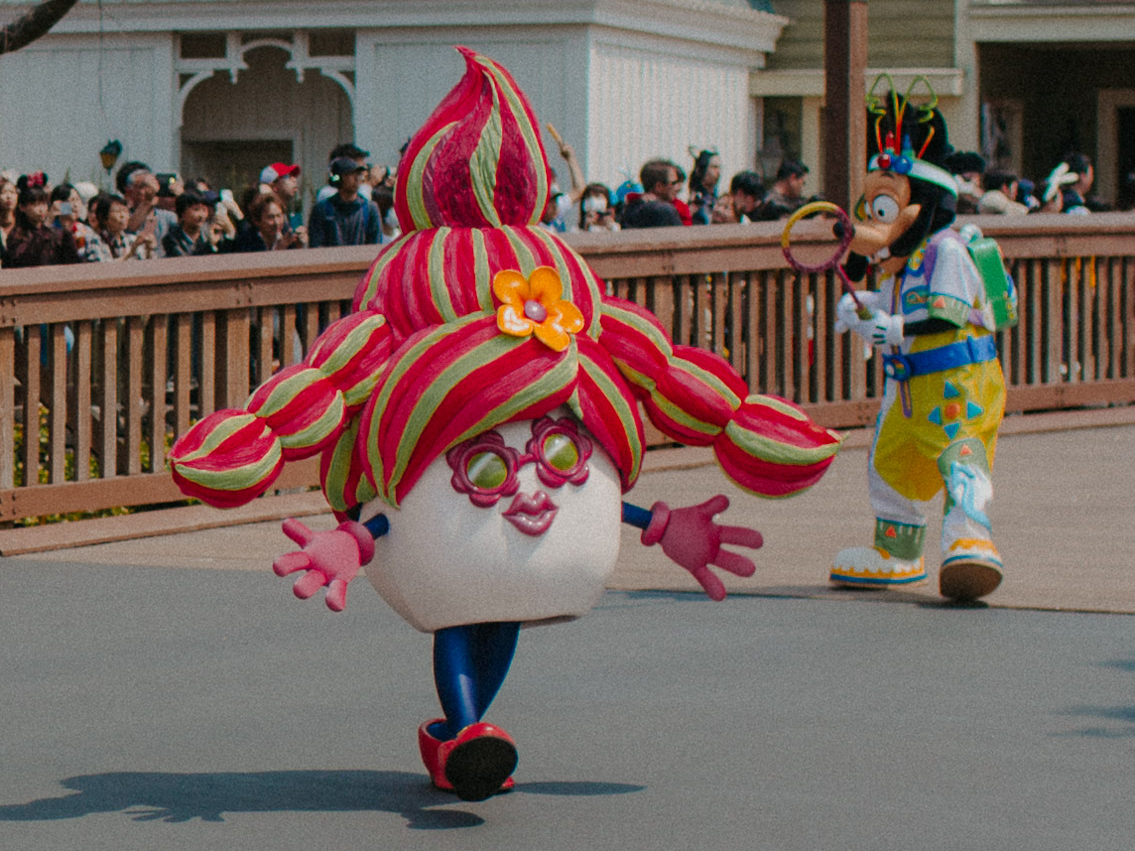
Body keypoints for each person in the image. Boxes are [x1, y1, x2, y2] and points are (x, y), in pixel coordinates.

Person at [171, 48, 839, 802]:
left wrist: (662, 523)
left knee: (499, 609)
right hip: (438, 529)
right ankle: (463, 728)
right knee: (465, 607)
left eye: (556, 448)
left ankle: (459, 736)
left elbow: (654, 372)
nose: (529, 472)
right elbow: (331, 379)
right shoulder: (414, 306)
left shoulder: (556, 302)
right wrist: (353, 531)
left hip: (493, 533)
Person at [830, 83, 1011, 602]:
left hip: (958, 383)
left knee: (961, 460)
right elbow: (890, 316)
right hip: (907, 389)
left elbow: (945, 315)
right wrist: (861, 315)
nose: (871, 224)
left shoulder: (946, 252)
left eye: (883, 209)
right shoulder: (900, 266)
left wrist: (896, 329)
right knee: (890, 467)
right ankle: (898, 553)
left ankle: (971, 540)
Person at [3, 178, 81, 267]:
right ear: (22, 207)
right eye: (35, 204)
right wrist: (48, 222)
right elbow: (26, 259)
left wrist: (67, 230)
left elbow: (72, 260)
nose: (41, 209)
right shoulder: (16, 235)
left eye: (44, 204)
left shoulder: (55, 233)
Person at [308, 158, 382, 247]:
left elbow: (374, 246)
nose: (356, 178)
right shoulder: (322, 210)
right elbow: (316, 246)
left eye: (358, 174)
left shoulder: (370, 209)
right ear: (339, 178)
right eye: (350, 174)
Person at [233, 190, 308, 253]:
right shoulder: (247, 242)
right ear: (257, 221)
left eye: (279, 216)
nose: (277, 222)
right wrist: (278, 249)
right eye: (270, 217)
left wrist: (300, 246)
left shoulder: (288, 235)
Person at [619, 160, 684, 229]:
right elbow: (680, 237)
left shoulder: (631, 208)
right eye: (674, 183)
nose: (678, 188)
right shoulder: (664, 210)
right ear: (659, 187)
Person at [162, 189, 220, 257]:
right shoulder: (172, 240)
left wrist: (213, 244)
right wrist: (209, 246)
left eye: (204, 210)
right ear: (183, 213)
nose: (201, 215)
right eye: (196, 210)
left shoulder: (208, 235)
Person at [260, 162, 304, 231]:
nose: (294, 179)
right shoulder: (264, 218)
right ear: (274, 185)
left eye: (294, 176)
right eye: (288, 176)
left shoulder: (291, 214)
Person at [688, 150, 722, 224]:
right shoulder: (694, 199)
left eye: (719, 168)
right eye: (714, 167)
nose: (718, 172)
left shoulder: (719, 198)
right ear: (701, 170)